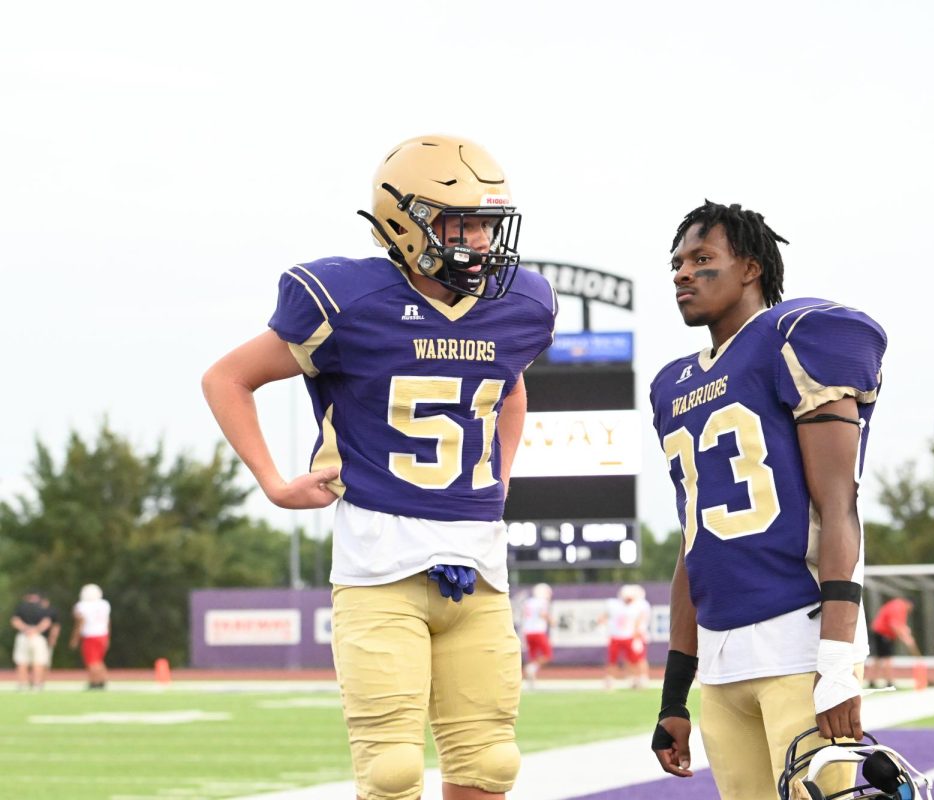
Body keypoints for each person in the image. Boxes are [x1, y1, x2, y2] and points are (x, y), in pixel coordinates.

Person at [201, 135, 556, 800]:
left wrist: (498, 480)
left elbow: (508, 387)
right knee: (392, 772)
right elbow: (227, 378)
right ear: (404, 221)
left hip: (478, 564)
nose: (481, 241)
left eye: (487, 224)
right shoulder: (346, 298)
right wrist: (275, 484)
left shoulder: (523, 304)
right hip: (378, 561)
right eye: (463, 223)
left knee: (491, 765)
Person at [648, 201, 886, 800]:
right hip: (723, 660)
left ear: (750, 268)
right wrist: (675, 692)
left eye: (703, 259)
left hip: (797, 644)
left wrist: (835, 664)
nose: (682, 273)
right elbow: (692, 543)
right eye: (677, 262)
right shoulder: (671, 386)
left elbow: (839, 507)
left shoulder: (796, 338)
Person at [599, 584, 649, 690]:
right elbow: (603, 617)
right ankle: (609, 680)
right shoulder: (613, 604)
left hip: (629, 637)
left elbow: (639, 620)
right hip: (615, 637)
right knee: (612, 660)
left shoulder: (637, 606)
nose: (629, 600)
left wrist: (637, 633)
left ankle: (636, 679)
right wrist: (602, 621)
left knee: (634, 660)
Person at [866, 597, 919, 689]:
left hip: (879, 631)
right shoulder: (899, 607)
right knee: (887, 658)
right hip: (884, 634)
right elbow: (895, 625)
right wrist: (906, 639)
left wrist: (905, 632)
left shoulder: (896, 604)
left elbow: (900, 625)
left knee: (878, 658)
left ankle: (871, 681)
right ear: (910, 605)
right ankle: (889, 682)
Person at [70, 584, 111, 689]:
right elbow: (108, 622)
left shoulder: (82, 606)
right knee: (98, 660)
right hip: (103, 635)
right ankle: (102, 680)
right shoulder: (105, 604)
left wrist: (75, 638)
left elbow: (80, 623)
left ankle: (95, 681)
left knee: (92, 661)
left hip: (90, 635)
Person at [10, 589, 52, 690]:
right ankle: (37, 684)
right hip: (38, 637)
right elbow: (47, 622)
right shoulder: (42, 608)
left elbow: (15, 621)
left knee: (22, 661)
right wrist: (35, 630)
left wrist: (25, 629)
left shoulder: (21, 607)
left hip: (23, 636)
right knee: (38, 661)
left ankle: (22, 683)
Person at [519, 583, 553, 688]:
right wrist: (551, 621)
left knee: (533, 656)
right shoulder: (543, 602)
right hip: (538, 631)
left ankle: (532, 680)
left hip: (527, 631)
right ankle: (531, 669)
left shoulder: (529, 602)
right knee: (547, 655)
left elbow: (524, 615)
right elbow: (543, 614)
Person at [39, 594, 61, 676]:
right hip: (37, 637)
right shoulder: (36, 611)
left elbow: (56, 626)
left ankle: (44, 676)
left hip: (46, 638)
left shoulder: (52, 611)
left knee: (46, 659)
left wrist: (53, 638)